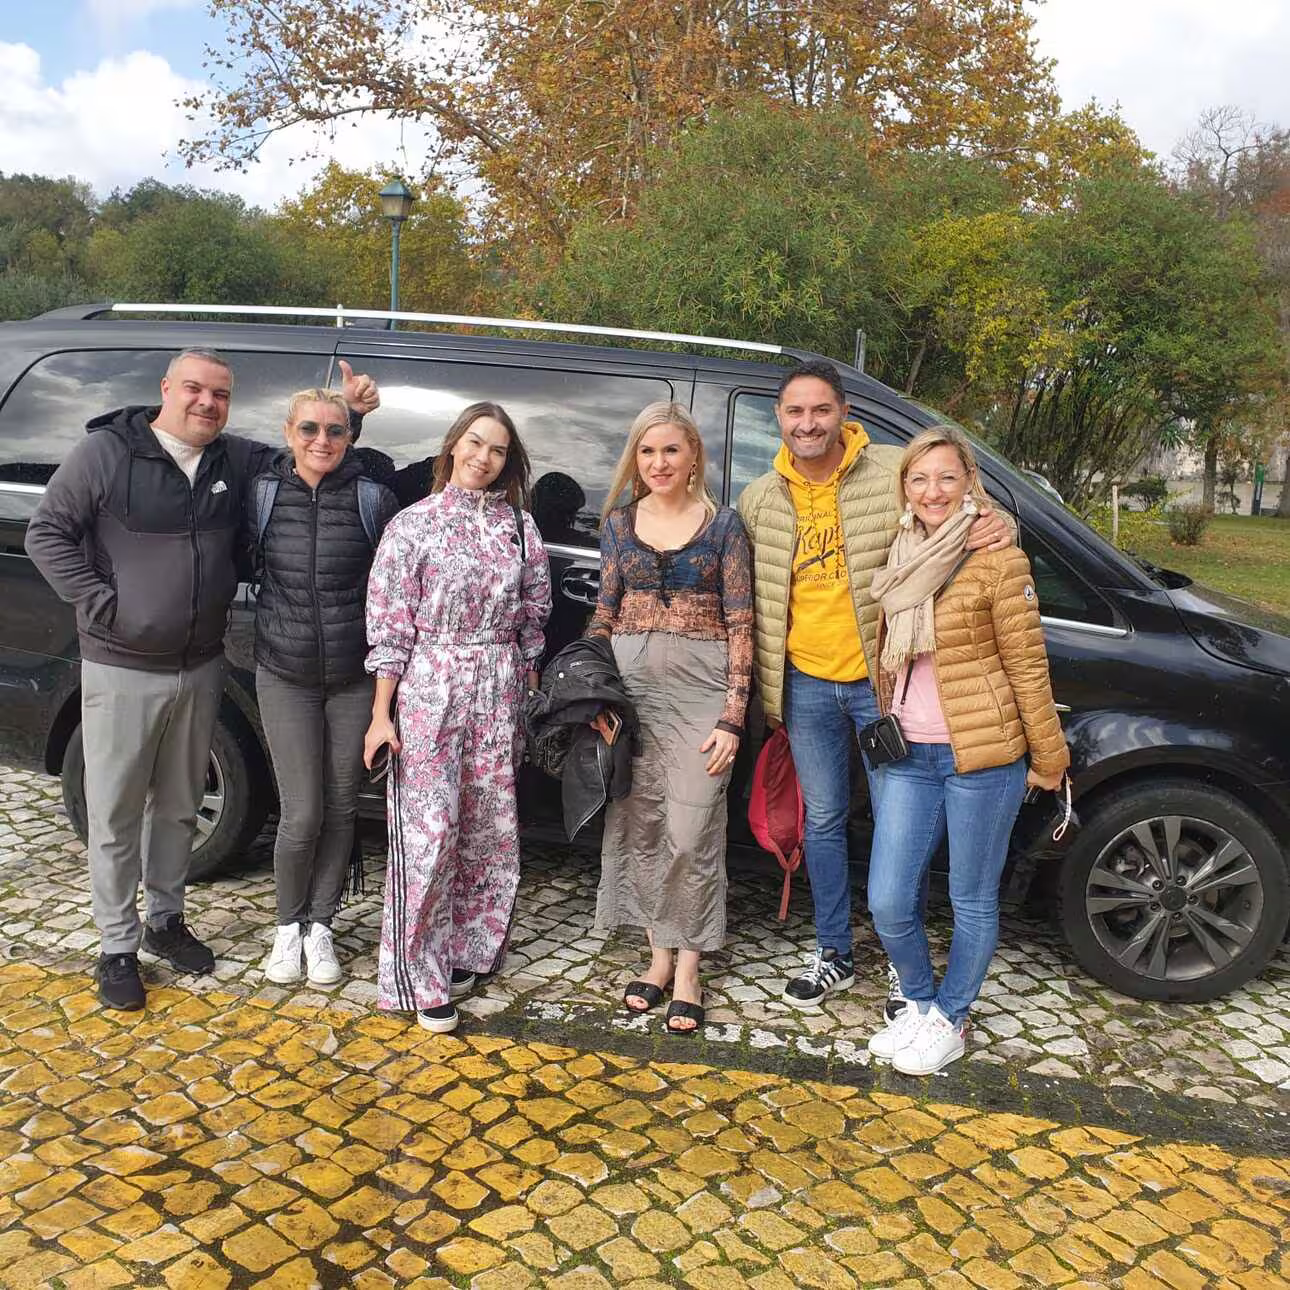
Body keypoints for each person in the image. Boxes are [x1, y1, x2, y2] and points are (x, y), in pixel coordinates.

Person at [23, 349, 379, 1011]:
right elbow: (47, 533)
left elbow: (311, 452)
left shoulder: (232, 459)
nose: (207, 404)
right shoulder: (107, 454)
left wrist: (349, 412)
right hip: (121, 664)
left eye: (220, 395)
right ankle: (117, 947)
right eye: (194, 389)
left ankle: (165, 921)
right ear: (166, 388)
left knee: (181, 805)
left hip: (202, 662)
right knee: (116, 811)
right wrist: (101, 604)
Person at [736, 360, 1011, 1012]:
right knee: (824, 821)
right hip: (804, 685)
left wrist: (1004, 525)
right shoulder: (758, 498)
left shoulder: (890, 469)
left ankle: (901, 964)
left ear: (842, 413)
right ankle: (834, 951)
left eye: (820, 410)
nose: (808, 423)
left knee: (897, 829)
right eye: (795, 412)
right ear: (780, 419)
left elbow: (966, 507)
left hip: (884, 688)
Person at [865, 426, 1069, 1074]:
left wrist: (1049, 755)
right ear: (905, 487)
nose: (932, 491)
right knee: (890, 899)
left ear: (969, 484)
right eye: (920, 478)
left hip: (982, 757)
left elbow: (1028, 665)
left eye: (947, 478)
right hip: (909, 755)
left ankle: (953, 1017)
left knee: (972, 897)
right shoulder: (900, 553)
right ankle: (921, 1003)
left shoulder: (998, 558)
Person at [363, 401, 552, 1034]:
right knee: (428, 834)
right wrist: (381, 715)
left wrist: (524, 687)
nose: (484, 458)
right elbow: (389, 627)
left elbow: (534, 614)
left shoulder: (520, 529)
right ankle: (417, 973)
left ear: (509, 461)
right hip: (429, 687)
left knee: (490, 829)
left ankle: (471, 947)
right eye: (475, 443)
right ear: (453, 446)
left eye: (497, 450)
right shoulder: (411, 527)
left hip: (498, 688)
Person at [587, 402, 753, 1034]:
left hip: (703, 692)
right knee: (643, 824)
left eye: (670, 451)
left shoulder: (723, 526)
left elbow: (742, 622)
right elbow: (605, 612)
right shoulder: (620, 524)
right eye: (647, 451)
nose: (658, 463)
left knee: (692, 830)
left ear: (693, 458)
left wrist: (734, 715)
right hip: (632, 694)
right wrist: (595, 693)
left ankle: (691, 968)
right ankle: (659, 960)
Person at [249, 388, 399, 988]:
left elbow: (396, 586)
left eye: (336, 431)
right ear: (288, 432)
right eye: (309, 428)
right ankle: (287, 927)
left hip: (352, 679)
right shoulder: (261, 494)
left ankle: (321, 925)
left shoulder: (374, 499)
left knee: (341, 808)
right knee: (302, 811)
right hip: (282, 672)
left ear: (352, 437)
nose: (322, 441)